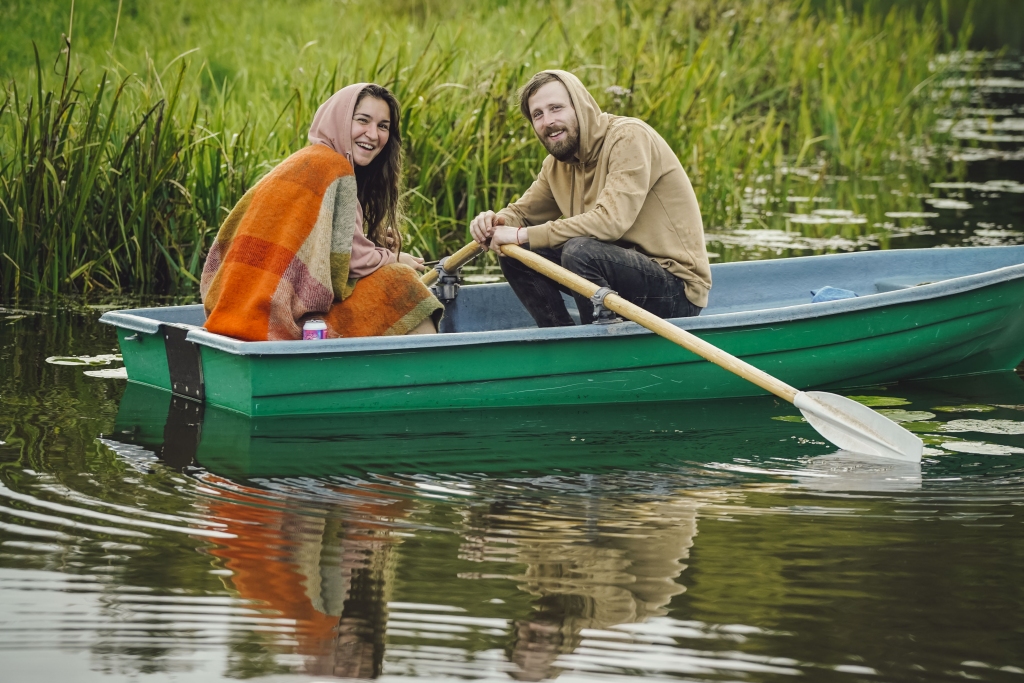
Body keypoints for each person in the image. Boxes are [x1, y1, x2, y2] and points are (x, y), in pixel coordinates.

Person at [201, 83, 442, 341]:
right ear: (339, 120)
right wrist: (394, 260)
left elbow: (320, 252)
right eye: (363, 120)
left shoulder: (306, 161)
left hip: (230, 315)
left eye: (383, 126)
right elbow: (353, 262)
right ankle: (431, 371)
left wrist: (374, 246)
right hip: (272, 322)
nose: (373, 134)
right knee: (400, 281)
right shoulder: (335, 169)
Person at [469, 71, 711, 327]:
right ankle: (560, 340)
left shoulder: (628, 137)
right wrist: (496, 223)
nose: (548, 121)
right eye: (538, 114)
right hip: (617, 272)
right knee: (514, 253)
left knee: (580, 251)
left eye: (556, 108)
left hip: (676, 288)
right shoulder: (557, 164)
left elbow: (610, 222)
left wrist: (519, 234)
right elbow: (522, 214)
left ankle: (596, 345)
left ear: (581, 107)